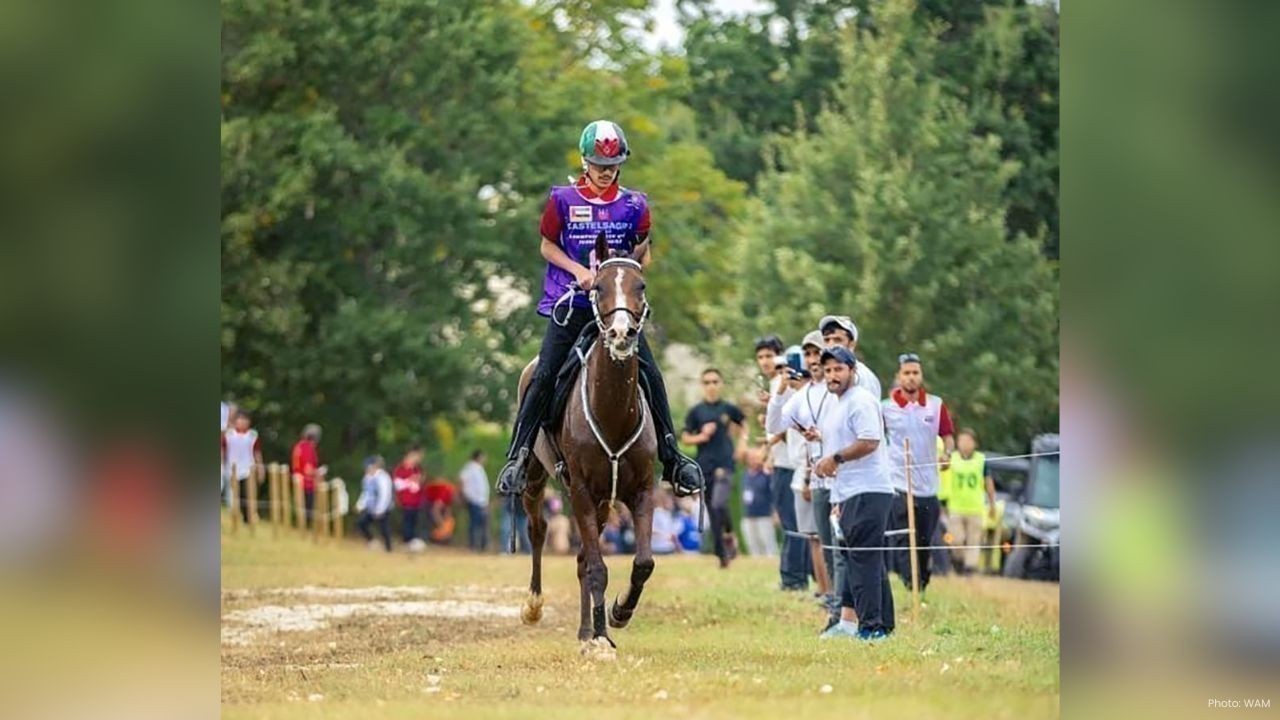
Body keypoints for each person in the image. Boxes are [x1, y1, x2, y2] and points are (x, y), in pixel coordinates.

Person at [494, 119, 703, 502]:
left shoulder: (636, 205)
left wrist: (621, 272)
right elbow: (546, 246)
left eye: (612, 166)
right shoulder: (562, 200)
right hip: (572, 303)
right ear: (584, 161)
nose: (605, 172)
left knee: (652, 375)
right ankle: (519, 458)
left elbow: (645, 253)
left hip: (614, 308)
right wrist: (577, 271)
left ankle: (673, 458)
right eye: (598, 165)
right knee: (543, 376)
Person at [790, 346, 895, 641]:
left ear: (853, 371)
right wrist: (836, 498)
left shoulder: (861, 399)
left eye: (839, 369)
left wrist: (834, 459)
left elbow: (870, 441)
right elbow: (843, 438)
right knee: (852, 560)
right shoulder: (835, 404)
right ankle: (855, 624)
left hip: (869, 489)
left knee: (864, 561)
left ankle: (873, 627)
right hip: (846, 493)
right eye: (829, 370)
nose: (833, 375)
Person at [769, 331, 839, 624]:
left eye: (816, 354)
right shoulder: (803, 394)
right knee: (815, 537)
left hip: (834, 476)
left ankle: (839, 597)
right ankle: (829, 594)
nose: (812, 360)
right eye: (808, 355)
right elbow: (775, 423)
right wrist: (781, 391)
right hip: (809, 474)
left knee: (832, 540)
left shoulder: (835, 392)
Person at [881, 352, 955, 594]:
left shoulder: (935, 405)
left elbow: (947, 436)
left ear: (921, 376)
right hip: (898, 483)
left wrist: (947, 454)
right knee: (904, 537)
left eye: (915, 373)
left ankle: (921, 583)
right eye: (906, 373)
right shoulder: (885, 408)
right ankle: (910, 584)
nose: (911, 378)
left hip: (927, 484)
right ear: (898, 376)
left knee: (924, 539)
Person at [756, 336, 809, 590]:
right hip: (780, 461)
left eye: (769, 356)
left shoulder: (785, 382)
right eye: (761, 357)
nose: (765, 361)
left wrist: (769, 443)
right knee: (791, 522)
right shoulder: (775, 382)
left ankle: (794, 579)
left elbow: (789, 424)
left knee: (792, 524)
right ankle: (793, 576)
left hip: (790, 463)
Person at [682, 368, 746, 568]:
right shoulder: (696, 411)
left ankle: (727, 538)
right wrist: (700, 436)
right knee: (711, 508)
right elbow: (684, 437)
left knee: (719, 504)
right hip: (704, 465)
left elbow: (743, 423)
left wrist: (742, 443)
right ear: (703, 385)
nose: (711, 386)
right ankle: (722, 553)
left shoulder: (728, 408)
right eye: (707, 382)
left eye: (715, 381)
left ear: (721, 384)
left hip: (725, 463)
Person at [946, 428, 997, 575]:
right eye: (961, 440)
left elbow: (988, 482)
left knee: (973, 541)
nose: (964, 444)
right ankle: (958, 561)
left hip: (975, 507)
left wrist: (992, 503)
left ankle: (969, 569)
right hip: (956, 506)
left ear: (974, 443)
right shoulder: (952, 458)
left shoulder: (981, 460)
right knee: (956, 540)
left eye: (968, 440)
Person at [818, 315, 882, 399]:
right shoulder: (827, 377)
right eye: (827, 340)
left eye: (837, 340)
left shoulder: (863, 377)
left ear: (852, 344)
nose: (831, 345)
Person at [221, 410, 262, 524]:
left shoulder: (252, 435)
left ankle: (248, 517)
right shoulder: (229, 435)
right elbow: (222, 451)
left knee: (247, 494)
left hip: (248, 469)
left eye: (245, 420)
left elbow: (257, 453)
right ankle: (234, 515)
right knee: (233, 495)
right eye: (240, 420)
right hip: (231, 469)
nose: (243, 422)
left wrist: (260, 468)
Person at [740, 447, 778, 557]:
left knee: (767, 542)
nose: (754, 460)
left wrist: (775, 512)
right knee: (752, 543)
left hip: (764, 514)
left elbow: (773, 494)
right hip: (748, 514)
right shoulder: (745, 474)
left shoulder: (766, 474)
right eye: (751, 458)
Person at [290, 424, 326, 527]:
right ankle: (305, 529)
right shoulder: (308, 448)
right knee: (308, 510)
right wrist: (319, 472)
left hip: (299, 482)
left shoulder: (299, 446)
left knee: (302, 509)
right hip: (307, 483)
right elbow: (308, 470)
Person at [356, 455, 394, 552]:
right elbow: (366, 493)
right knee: (361, 523)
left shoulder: (383, 478)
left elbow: (385, 494)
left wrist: (380, 509)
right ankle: (371, 541)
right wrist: (360, 505)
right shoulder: (367, 478)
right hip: (371, 507)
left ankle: (388, 548)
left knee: (384, 528)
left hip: (384, 507)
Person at [393, 445, 425, 551]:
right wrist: (410, 480)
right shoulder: (400, 469)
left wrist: (418, 481)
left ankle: (412, 539)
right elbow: (398, 485)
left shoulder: (416, 469)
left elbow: (418, 484)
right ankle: (407, 540)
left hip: (416, 500)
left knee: (414, 520)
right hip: (407, 500)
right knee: (408, 520)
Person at [459, 450, 490, 552]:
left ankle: (481, 545)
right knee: (475, 524)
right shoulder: (470, 468)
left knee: (482, 524)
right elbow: (462, 479)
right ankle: (473, 545)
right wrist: (465, 494)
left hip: (481, 501)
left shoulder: (478, 468)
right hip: (474, 500)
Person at [423, 474, 457, 544]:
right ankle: (434, 535)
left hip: (433, 497)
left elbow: (448, 508)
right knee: (433, 516)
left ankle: (442, 534)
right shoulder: (445, 491)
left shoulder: (450, 491)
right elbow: (435, 510)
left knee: (448, 519)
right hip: (426, 497)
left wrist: (447, 522)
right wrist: (442, 524)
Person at [651, 489, 682, 555]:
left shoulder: (667, 513)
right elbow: (651, 529)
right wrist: (665, 535)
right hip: (658, 547)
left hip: (668, 547)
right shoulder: (656, 513)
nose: (671, 502)